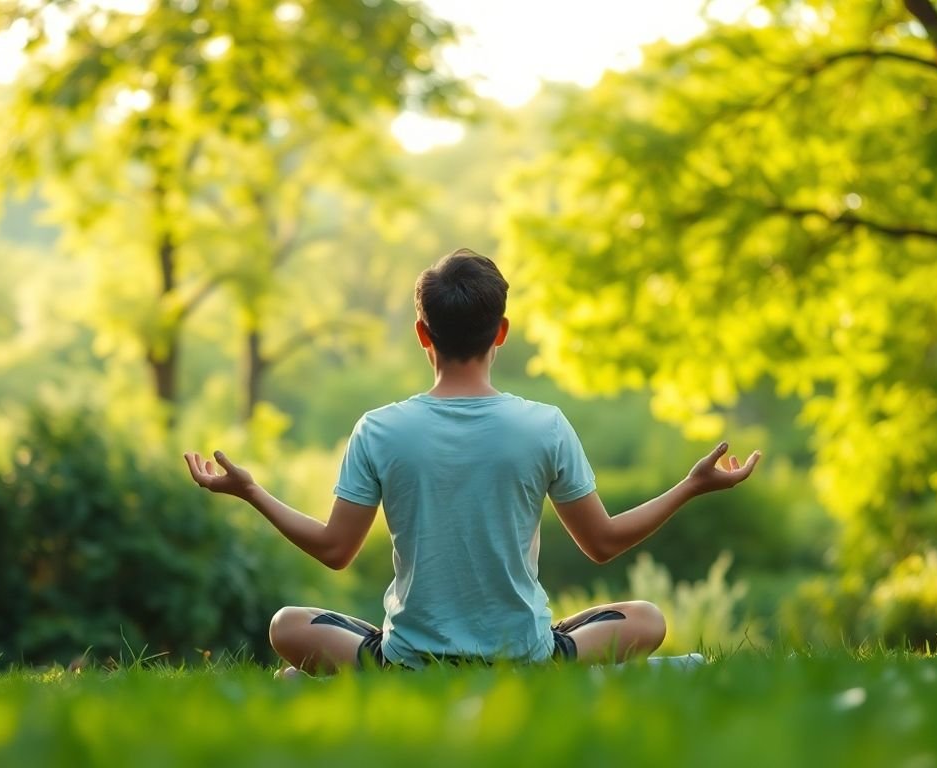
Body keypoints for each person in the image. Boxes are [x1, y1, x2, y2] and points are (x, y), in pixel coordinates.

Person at [184, 248, 760, 676]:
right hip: (525, 657)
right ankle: (571, 675)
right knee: (648, 620)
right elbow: (602, 543)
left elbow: (336, 551)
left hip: (410, 661)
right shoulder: (545, 425)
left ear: (421, 334)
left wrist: (252, 492)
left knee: (287, 627)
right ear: (501, 332)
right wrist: (689, 486)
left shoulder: (379, 429)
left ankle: (368, 681)